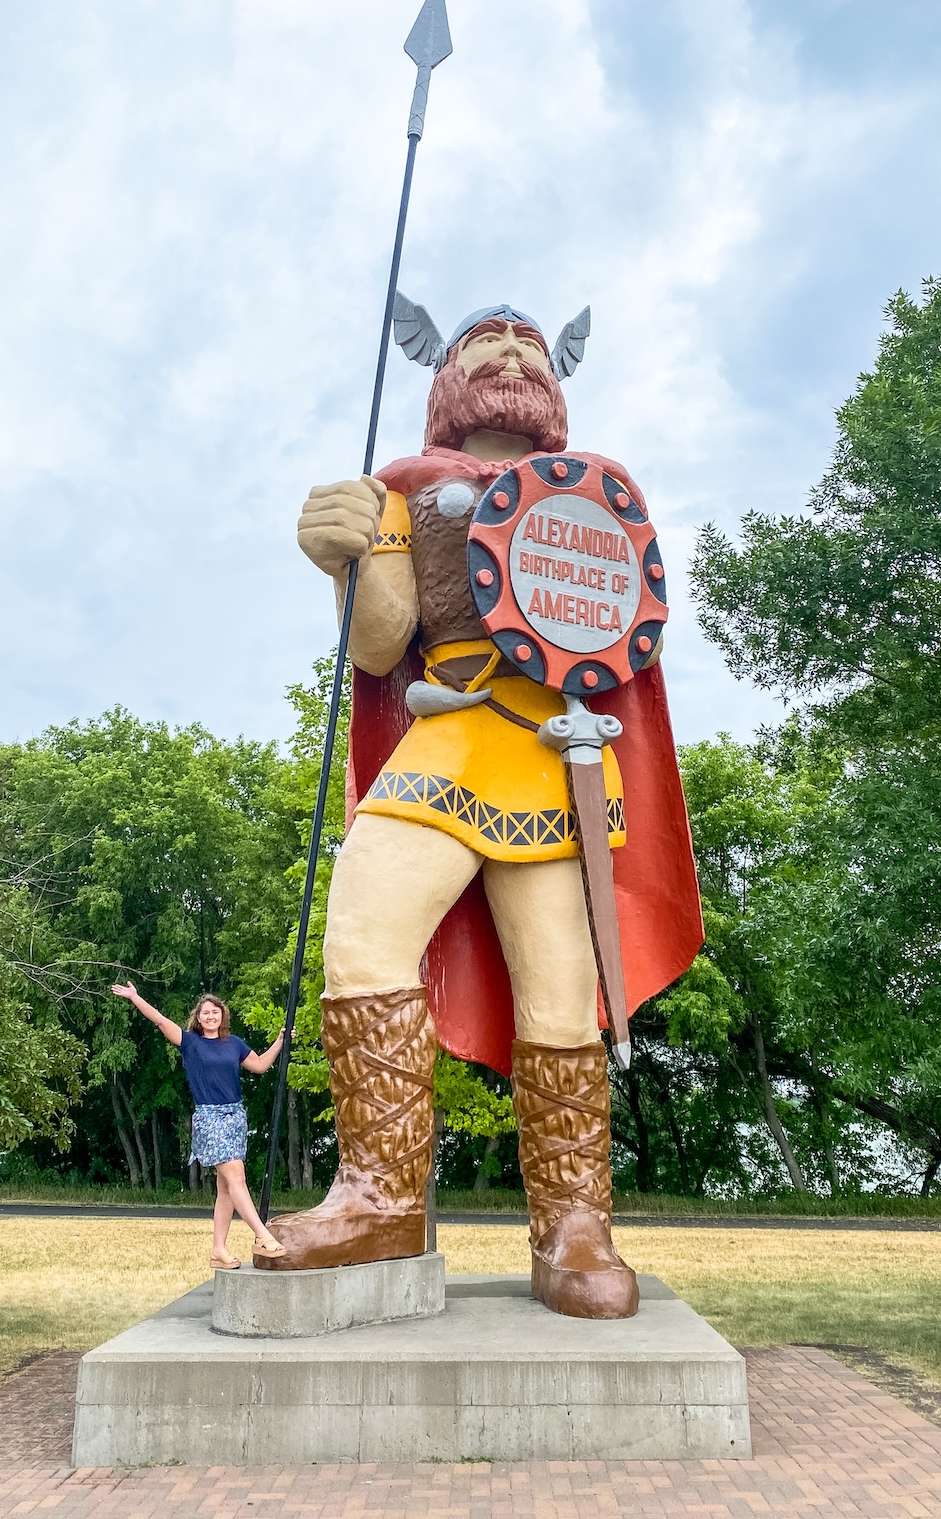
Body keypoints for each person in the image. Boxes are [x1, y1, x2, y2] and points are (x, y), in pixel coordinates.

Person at [262, 303, 703, 1319]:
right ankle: (377, 1196)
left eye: (530, 349)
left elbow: (625, 626)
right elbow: (381, 646)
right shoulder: (402, 491)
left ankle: (573, 1223)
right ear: (445, 376)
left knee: (561, 996)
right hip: (447, 735)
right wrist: (349, 551)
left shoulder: (597, 490)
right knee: (362, 941)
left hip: (558, 753)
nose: (510, 358)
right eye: (485, 346)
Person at [111, 981, 286, 1268]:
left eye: (215, 1012)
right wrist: (135, 997)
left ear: (222, 1016)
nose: (210, 1017)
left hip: (235, 1117)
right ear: (198, 1017)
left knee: (227, 1188)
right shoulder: (189, 1043)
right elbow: (159, 1018)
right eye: (205, 1013)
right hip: (209, 1118)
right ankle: (263, 1235)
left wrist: (280, 1041)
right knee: (237, 1178)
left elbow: (260, 1066)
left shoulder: (235, 1044)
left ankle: (218, 1249)